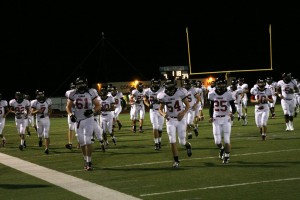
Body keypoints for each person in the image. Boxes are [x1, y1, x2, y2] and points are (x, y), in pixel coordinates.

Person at [66, 76, 101, 171]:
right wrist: (70, 114)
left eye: (82, 83)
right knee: (81, 142)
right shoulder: (72, 94)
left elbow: (98, 105)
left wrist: (92, 111)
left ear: (86, 84)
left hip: (88, 119)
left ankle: (89, 161)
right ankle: (85, 159)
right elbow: (68, 107)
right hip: (78, 121)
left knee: (88, 140)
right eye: (79, 84)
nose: (81, 85)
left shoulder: (91, 92)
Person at [157, 77, 192, 168]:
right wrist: (163, 114)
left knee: (182, 141)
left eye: (170, 84)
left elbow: (188, 105)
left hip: (181, 119)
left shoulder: (180, 92)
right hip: (170, 120)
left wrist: (183, 113)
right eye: (167, 84)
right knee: (172, 140)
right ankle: (176, 161)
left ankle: (187, 145)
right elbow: (160, 109)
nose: (168, 87)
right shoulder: (162, 95)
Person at [208, 77, 236, 164]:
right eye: (219, 84)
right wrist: (210, 116)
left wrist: (232, 113)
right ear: (216, 84)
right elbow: (211, 106)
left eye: (222, 84)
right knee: (217, 141)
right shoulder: (212, 94)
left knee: (227, 140)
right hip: (216, 119)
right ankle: (222, 149)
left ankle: (227, 156)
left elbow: (233, 107)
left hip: (225, 118)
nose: (221, 85)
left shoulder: (229, 94)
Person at [144, 78, 164, 150]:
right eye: (154, 83)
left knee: (160, 129)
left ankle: (159, 141)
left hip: (161, 110)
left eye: (156, 83)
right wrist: (148, 105)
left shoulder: (162, 90)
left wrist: (160, 101)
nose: (155, 85)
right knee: (155, 127)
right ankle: (156, 143)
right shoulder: (147, 91)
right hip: (153, 111)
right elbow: (145, 100)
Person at [31, 90, 52, 154]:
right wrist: (37, 111)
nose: (40, 96)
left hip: (46, 119)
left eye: (41, 94)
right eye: (39, 94)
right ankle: (40, 139)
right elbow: (32, 113)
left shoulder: (48, 101)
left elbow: (50, 109)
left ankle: (47, 148)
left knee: (46, 134)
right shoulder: (34, 102)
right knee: (40, 133)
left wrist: (49, 113)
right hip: (39, 119)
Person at [65, 82, 79, 150]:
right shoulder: (69, 93)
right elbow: (67, 102)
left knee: (77, 128)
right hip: (71, 111)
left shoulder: (78, 92)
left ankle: (79, 143)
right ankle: (70, 143)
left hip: (78, 112)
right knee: (71, 127)